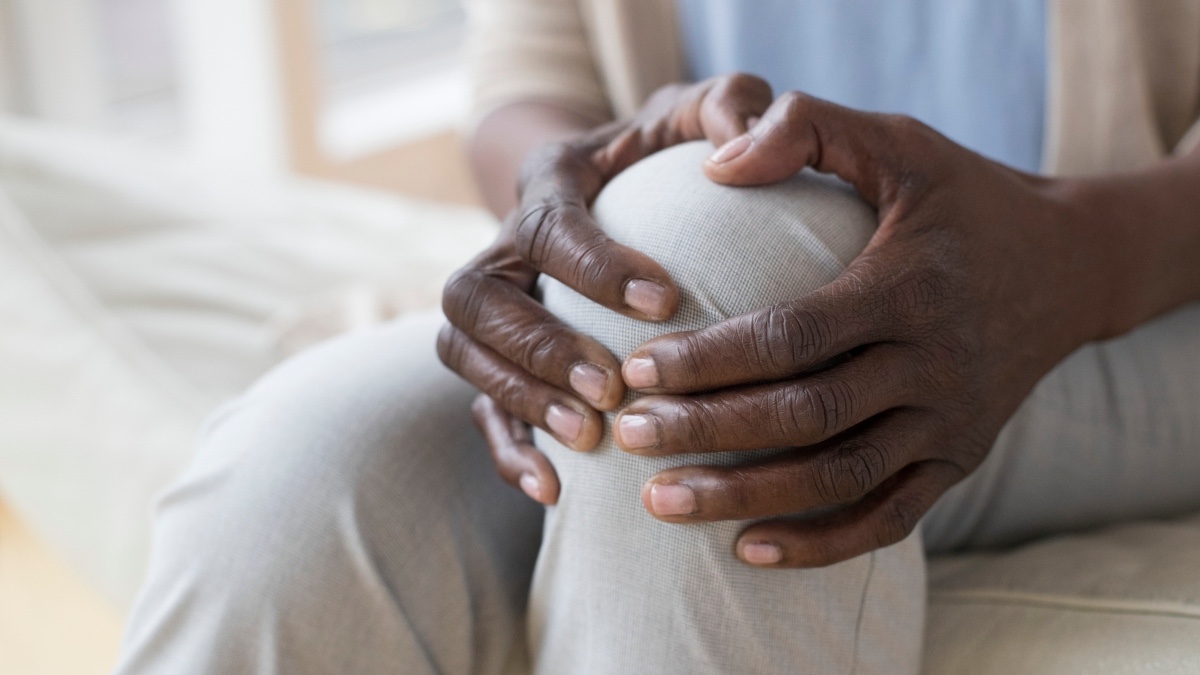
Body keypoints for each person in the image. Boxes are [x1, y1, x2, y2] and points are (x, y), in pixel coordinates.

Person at [114, 1, 1200, 672]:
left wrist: (1081, 247)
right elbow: (522, 78)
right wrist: (567, 220)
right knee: (300, 478)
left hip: (1143, 295)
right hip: (684, 274)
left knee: (717, 272)